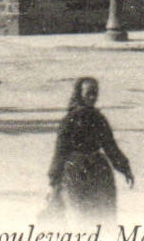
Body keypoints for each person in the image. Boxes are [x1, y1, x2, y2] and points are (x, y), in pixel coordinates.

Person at [47, 77, 134, 223]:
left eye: (95, 93)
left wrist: (124, 168)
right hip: (75, 172)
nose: (93, 98)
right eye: (89, 94)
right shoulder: (69, 120)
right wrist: (54, 180)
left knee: (103, 214)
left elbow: (110, 146)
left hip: (99, 173)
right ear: (80, 95)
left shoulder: (99, 119)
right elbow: (60, 151)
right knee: (80, 215)